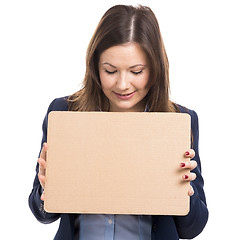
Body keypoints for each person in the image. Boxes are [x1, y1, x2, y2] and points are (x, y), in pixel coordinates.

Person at [28, 4, 208, 240]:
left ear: (155, 69)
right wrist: (46, 188)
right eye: (110, 71)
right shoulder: (65, 112)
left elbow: (191, 229)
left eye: (136, 71)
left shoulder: (178, 120)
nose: (123, 84)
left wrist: (186, 190)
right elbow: (43, 215)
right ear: (95, 67)